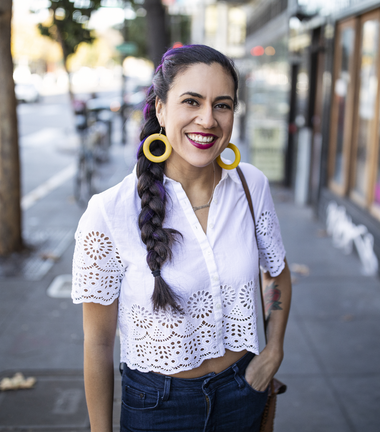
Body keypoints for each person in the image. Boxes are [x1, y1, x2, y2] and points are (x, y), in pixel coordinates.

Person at [72, 44, 292, 432]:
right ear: (160, 109)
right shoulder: (109, 212)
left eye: (222, 105)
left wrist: (273, 349)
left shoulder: (250, 184)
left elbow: (275, 272)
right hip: (157, 406)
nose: (207, 119)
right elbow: (98, 343)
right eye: (191, 101)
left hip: (245, 390)